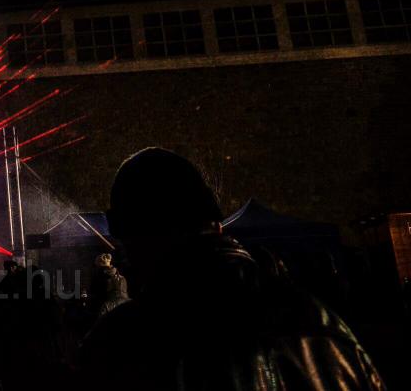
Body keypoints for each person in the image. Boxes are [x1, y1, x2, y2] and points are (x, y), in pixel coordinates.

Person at [80, 147, 386, 390]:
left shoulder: (124, 344)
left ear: (145, 235)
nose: (123, 258)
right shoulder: (321, 324)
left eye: (125, 239)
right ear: (215, 224)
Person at [88, 253, 129, 324]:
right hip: (123, 307)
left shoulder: (100, 278)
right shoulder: (121, 278)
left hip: (107, 309)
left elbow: (95, 294)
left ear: (99, 265)